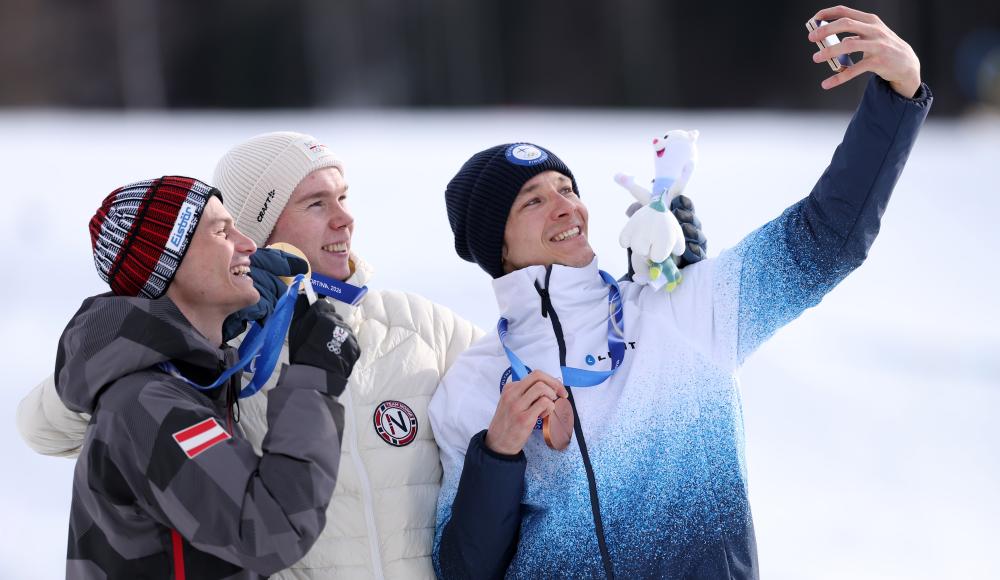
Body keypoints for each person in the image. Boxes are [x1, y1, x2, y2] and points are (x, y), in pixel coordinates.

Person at [18, 133, 707, 577]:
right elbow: (49, 426)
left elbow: (567, 377)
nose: (345, 219)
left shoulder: (418, 327)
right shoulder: (213, 360)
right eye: (317, 204)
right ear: (255, 229)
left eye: (344, 199)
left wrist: (649, 295)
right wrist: (149, 345)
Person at [428, 6, 932, 579]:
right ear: (497, 243)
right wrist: (498, 455)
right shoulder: (471, 387)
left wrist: (898, 95)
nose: (567, 206)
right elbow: (462, 570)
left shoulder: (680, 307)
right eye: (534, 201)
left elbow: (823, 240)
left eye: (567, 188)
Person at [59, 176, 358, 577]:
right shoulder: (148, 403)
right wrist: (314, 381)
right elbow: (269, 531)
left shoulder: (183, 380)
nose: (249, 245)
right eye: (222, 232)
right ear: (168, 265)